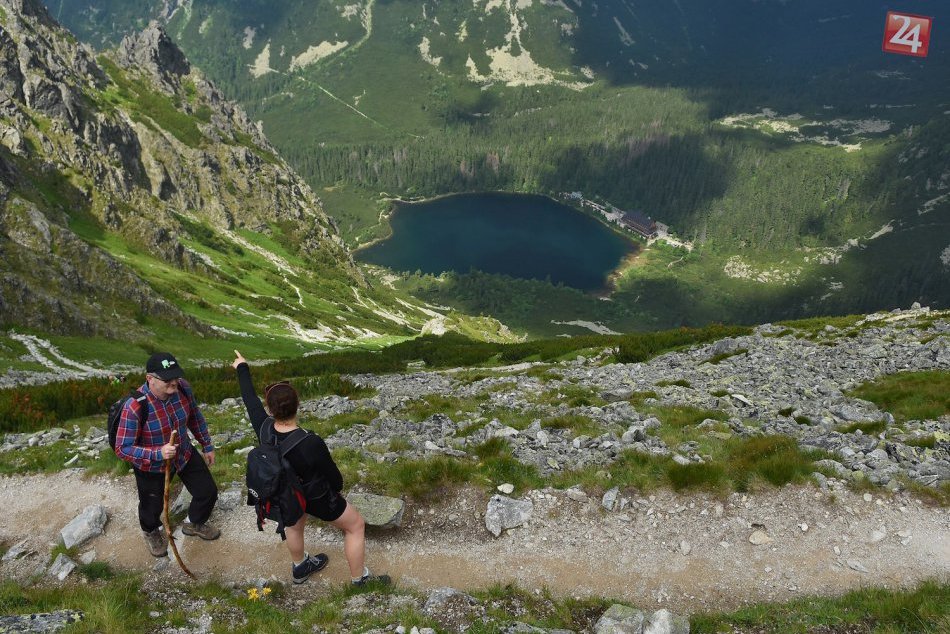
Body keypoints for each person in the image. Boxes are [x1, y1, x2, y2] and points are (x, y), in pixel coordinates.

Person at [232, 349, 390, 586]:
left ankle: (300, 567)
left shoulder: (263, 427)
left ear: (270, 410)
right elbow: (334, 478)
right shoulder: (310, 441)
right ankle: (360, 580)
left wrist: (242, 368)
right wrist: (336, 491)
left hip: (285, 493)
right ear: (298, 406)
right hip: (315, 496)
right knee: (355, 525)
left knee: (293, 523)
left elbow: (249, 399)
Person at [115, 352, 220, 557]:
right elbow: (122, 448)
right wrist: (158, 453)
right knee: (151, 506)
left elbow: (194, 417)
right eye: (167, 379)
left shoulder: (183, 388)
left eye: (176, 376)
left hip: (183, 453)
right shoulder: (135, 407)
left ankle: (194, 523)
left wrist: (207, 444)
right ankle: (151, 531)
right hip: (152, 466)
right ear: (150, 379)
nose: (173, 382)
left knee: (207, 491)